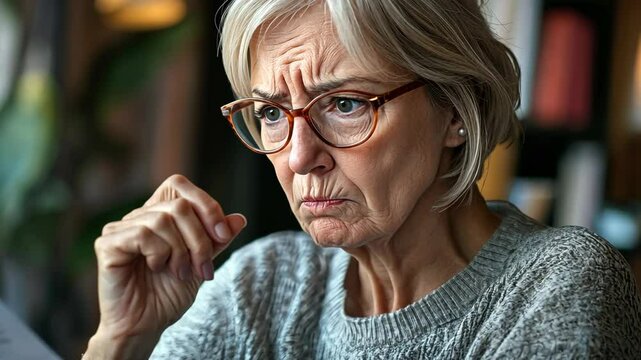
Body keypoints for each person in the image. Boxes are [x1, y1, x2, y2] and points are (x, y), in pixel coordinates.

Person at [83, 0, 641, 358]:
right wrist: (121, 340)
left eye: (345, 103)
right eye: (273, 113)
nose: (300, 158)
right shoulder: (265, 283)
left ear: (454, 107)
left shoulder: (554, 283)